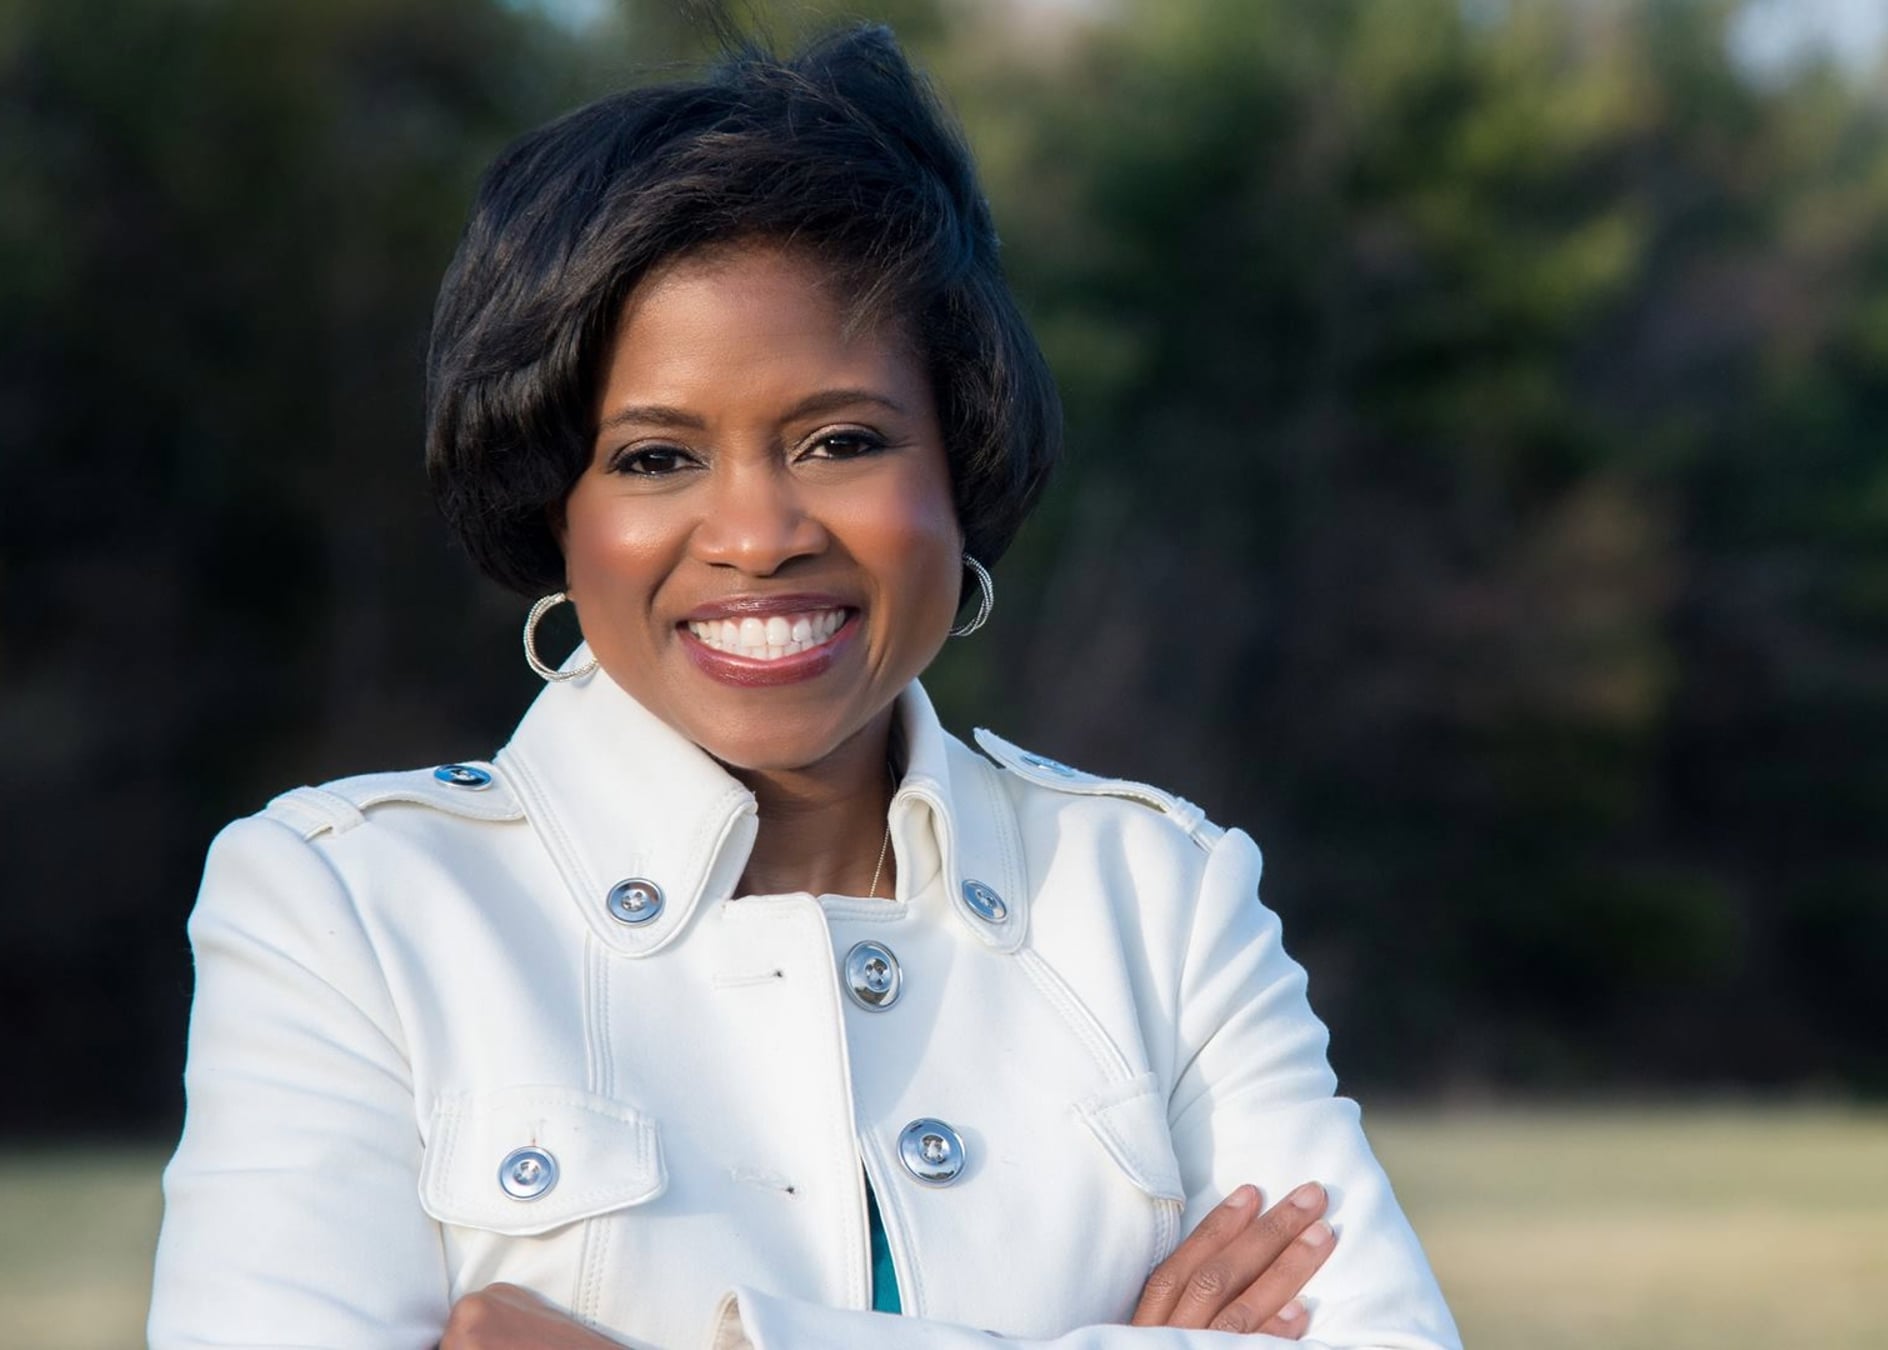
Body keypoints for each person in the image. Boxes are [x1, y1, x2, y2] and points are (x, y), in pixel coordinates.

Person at [147, 23, 1460, 1350]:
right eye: (655, 458)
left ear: (962, 467)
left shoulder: (1158, 896)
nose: (759, 534)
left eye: (840, 440)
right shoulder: (346, 905)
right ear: (557, 511)